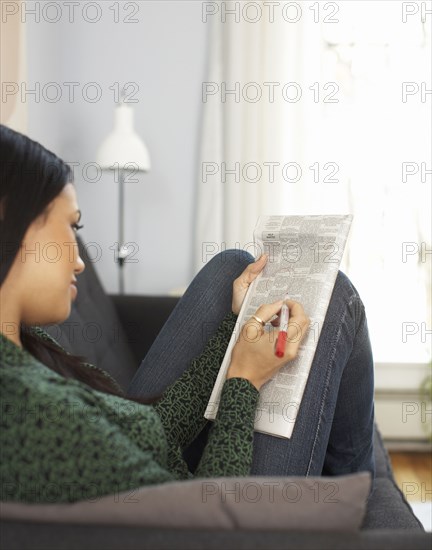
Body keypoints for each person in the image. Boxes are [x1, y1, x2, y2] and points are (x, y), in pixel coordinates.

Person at [0, 125, 375, 504]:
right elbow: (206, 525)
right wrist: (243, 379)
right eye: (70, 225)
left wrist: (236, 323)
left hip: (170, 479)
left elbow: (151, 435)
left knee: (232, 266)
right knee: (337, 298)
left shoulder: (25, 345)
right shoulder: (37, 415)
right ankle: (359, 499)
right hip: (216, 512)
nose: (80, 260)